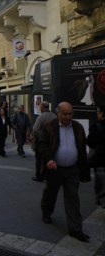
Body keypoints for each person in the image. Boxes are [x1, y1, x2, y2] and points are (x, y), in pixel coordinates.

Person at [38, 102, 91, 242]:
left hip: (73, 169)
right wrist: (49, 159)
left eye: (70, 114)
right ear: (58, 113)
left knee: (73, 198)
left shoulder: (78, 127)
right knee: (50, 192)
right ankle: (46, 212)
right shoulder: (50, 126)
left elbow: (82, 148)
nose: (68, 117)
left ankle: (75, 229)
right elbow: (42, 145)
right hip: (55, 168)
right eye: (65, 114)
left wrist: (83, 167)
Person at [31, 101, 56, 181]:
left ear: (42, 108)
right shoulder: (54, 116)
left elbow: (35, 130)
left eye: (40, 107)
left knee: (39, 160)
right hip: (52, 142)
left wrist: (42, 135)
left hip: (41, 143)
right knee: (49, 158)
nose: (40, 108)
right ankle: (49, 175)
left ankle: (39, 176)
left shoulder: (41, 117)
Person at [86, 105, 105, 208]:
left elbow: (90, 143)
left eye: (98, 111)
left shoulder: (97, 126)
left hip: (101, 161)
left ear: (102, 113)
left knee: (101, 189)